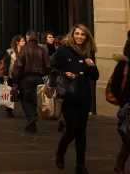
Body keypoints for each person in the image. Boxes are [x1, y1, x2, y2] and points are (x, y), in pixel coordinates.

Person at [53, 24, 99, 173]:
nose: (80, 37)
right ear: (72, 35)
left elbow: (95, 77)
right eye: (77, 34)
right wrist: (64, 73)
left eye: (83, 35)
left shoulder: (88, 52)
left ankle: (80, 164)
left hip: (84, 95)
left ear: (86, 37)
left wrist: (91, 65)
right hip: (69, 95)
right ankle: (61, 150)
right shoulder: (63, 50)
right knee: (73, 128)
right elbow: (51, 69)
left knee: (82, 132)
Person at [12, 30, 50, 133]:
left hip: (25, 78)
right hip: (38, 77)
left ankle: (31, 117)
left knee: (25, 98)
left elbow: (18, 66)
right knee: (35, 99)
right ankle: (33, 119)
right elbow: (48, 66)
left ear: (28, 38)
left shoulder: (23, 50)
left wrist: (15, 80)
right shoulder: (42, 50)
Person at [111, 30, 130, 174]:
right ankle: (119, 164)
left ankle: (119, 164)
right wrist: (124, 102)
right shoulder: (123, 64)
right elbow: (115, 86)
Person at [2, 34, 26, 118]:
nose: (24, 42)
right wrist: (5, 75)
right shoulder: (9, 51)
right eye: (22, 41)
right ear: (17, 42)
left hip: (22, 75)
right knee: (10, 93)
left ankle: (27, 111)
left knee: (23, 93)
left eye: (24, 41)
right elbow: (6, 64)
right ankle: (9, 111)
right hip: (11, 75)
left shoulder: (25, 51)